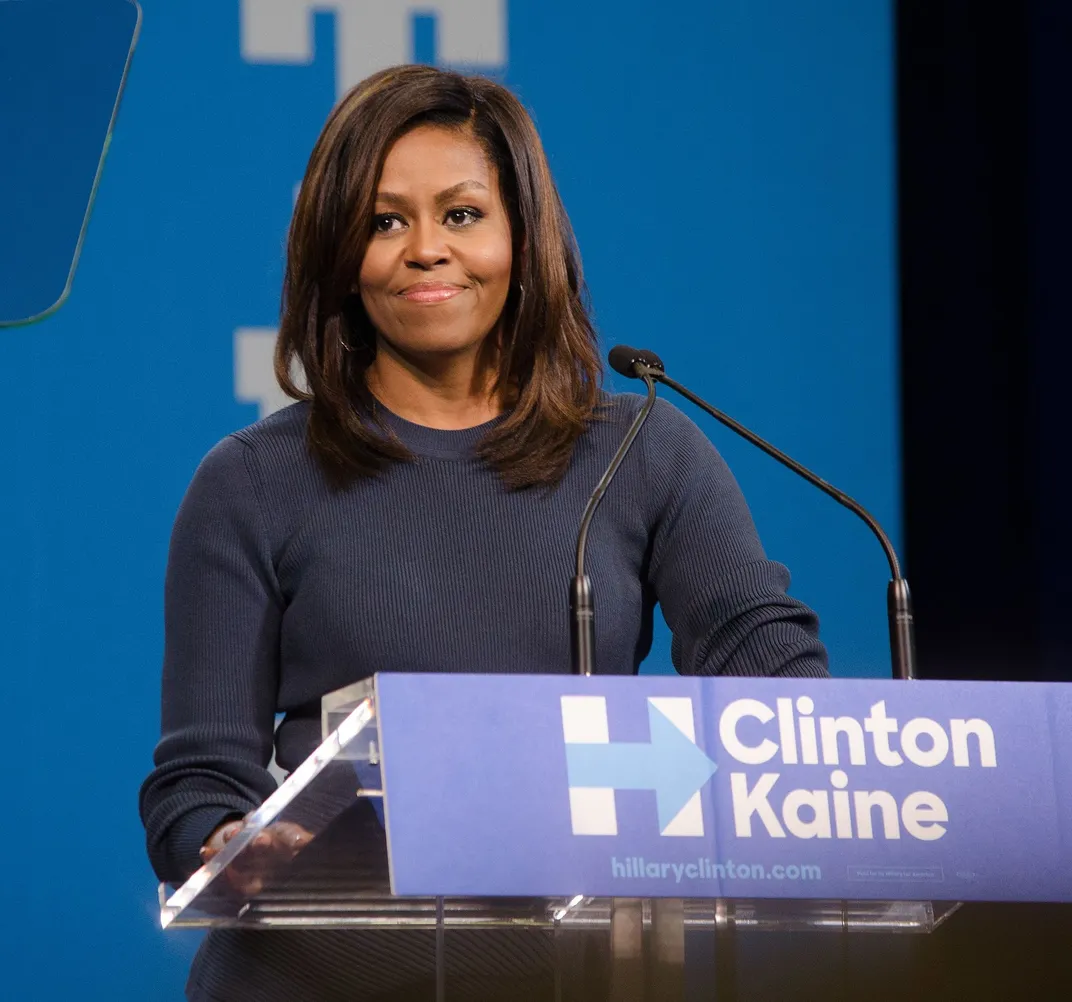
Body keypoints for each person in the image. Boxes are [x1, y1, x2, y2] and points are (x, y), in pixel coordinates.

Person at [139, 64, 827, 1002]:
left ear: (523, 236)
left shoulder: (642, 453)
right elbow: (198, 781)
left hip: (578, 977)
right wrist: (236, 842)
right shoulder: (254, 482)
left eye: (461, 214)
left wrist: (836, 759)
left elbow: (772, 678)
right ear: (340, 255)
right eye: (384, 222)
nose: (426, 250)